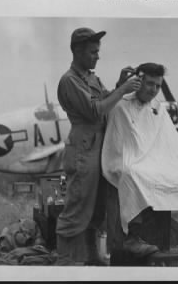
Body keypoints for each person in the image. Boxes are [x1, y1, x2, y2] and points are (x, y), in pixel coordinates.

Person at [101, 63, 178, 258]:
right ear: (137, 81)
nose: (153, 90)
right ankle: (133, 237)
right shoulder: (121, 105)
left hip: (156, 162)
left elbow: (169, 141)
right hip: (127, 160)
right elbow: (119, 144)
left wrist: (171, 162)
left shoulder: (158, 109)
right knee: (133, 175)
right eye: (149, 84)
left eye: (157, 86)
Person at [55, 27, 142, 265]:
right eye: (93, 52)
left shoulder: (90, 78)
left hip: (99, 148)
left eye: (98, 51)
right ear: (78, 51)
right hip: (83, 150)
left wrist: (118, 84)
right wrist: (124, 89)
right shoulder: (70, 80)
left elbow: (106, 100)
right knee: (77, 208)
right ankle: (63, 262)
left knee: (96, 209)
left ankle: (92, 258)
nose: (97, 56)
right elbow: (95, 111)